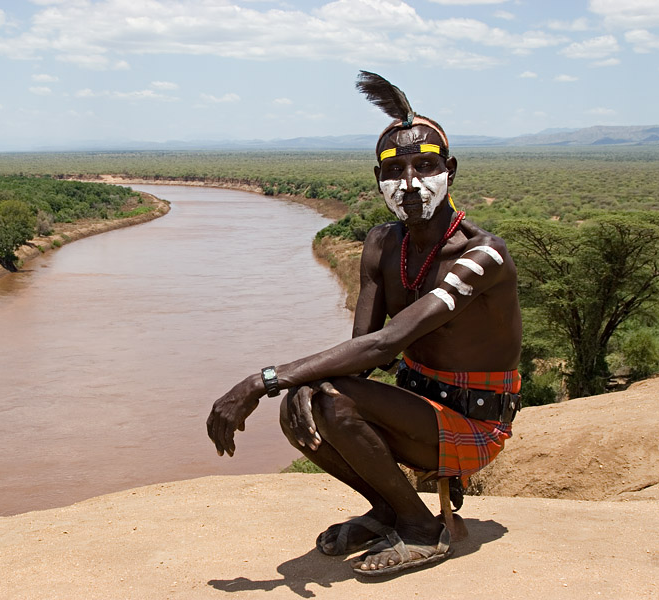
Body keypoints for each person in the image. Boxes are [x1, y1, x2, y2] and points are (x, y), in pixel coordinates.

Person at [206, 71, 522, 577]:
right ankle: (389, 512)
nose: (411, 182)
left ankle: (422, 531)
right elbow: (365, 350)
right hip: (417, 407)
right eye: (395, 170)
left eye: (427, 165)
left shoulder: (482, 255)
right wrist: (300, 385)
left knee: (318, 394)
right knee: (303, 405)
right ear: (378, 179)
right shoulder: (382, 244)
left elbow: (389, 342)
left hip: (474, 422)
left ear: (451, 170)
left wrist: (261, 380)